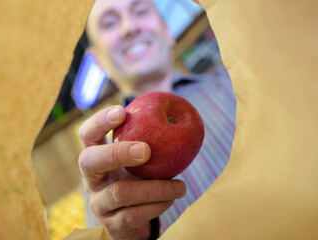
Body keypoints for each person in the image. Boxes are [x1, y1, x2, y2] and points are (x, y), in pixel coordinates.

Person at [78, 0, 236, 239]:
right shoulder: (103, 169)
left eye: (140, 11)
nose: (129, 27)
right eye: (110, 23)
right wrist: (122, 232)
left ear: (166, 31)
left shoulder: (236, 84)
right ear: (99, 61)